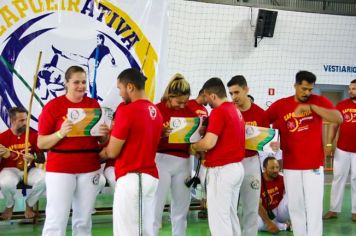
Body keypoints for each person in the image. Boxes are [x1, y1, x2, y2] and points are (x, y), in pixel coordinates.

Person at [265, 70, 343, 236]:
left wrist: (312, 107)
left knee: (314, 206)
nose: (307, 93)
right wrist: (271, 141)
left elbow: (338, 118)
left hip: (314, 165)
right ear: (295, 86)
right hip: (291, 166)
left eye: (310, 89)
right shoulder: (281, 105)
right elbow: (264, 123)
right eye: (304, 89)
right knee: (295, 207)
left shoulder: (318, 101)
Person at [38, 65, 109, 236]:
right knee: (56, 218)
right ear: (66, 83)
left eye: (84, 82)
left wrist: (104, 135)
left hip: (89, 167)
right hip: (60, 168)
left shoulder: (93, 105)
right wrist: (60, 133)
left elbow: (100, 140)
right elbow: (41, 143)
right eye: (76, 82)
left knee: (84, 220)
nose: (81, 86)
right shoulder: (53, 106)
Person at [99, 68, 163, 236]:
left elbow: (112, 151)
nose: (119, 93)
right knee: (143, 230)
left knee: (128, 231)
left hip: (134, 177)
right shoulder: (156, 112)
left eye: (120, 88)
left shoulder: (127, 111)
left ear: (130, 87)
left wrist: (96, 154)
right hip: (146, 177)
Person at [191, 77, 245, 236]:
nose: (206, 101)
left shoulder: (219, 112)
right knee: (229, 214)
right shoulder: (235, 110)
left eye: (206, 97)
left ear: (213, 95)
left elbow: (208, 143)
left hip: (223, 170)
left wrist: (193, 146)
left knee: (219, 219)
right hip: (236, 168)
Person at [153, 73, 196, 236]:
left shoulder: (191, 114)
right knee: (155, 208)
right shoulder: (157, 110)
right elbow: (146, 138)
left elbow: (195, 142)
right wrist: (160, 134)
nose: (182, 105)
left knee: (181, 210)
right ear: (170, 96)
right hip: (160, 160)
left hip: (184, 162)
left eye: (185, 102)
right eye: (179, 102)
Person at [227, 75, 269, 236]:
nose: (234, 97)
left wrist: (273, 144)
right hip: (230, 163)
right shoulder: (227, 111)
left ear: (246, 90)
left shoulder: (260, 114)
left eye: (237, 92)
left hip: (251, 162)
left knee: (251, 208)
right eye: (231, 93)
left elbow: (267, 141)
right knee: (229, 207)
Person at [0, 107, 46, 220]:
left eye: (26, 119)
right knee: (6, 183)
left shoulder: (33, 135)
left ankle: (29, 205)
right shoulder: (2, 137)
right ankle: (10, 205)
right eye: (21, 120)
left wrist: (33, 158)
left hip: (29, 170)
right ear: (12, 120)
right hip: (9, 170)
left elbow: (42, 159)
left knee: (45, 179)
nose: (25, 123)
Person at [323, 79, 356, 221]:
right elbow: (334, 126)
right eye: (350, 88)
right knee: (338, 178)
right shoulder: (341, 105)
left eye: (354, 88)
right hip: (342, 149)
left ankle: (355, 212)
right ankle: (333, 209)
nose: (350, 91)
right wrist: (329, 144)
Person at [186, 87, 208, 219]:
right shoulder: (189, 104)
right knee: (189, 179)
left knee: (203, 178)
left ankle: (204, 206)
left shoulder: (205, 110)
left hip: (201, 149)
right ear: (204, 94)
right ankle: (184, 208)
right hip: (190, 149)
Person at [258, 156, 290, 233]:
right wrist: (269, 223)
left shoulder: (282, 178)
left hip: (279, 212)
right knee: (258, 224)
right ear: (264, 168)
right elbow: (257, 206)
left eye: (277, 167)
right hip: (264, 213)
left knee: (292, 196)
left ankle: (296, 222)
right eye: (272, 168)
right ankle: (284, 226)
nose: (275, 170)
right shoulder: (258, 181)